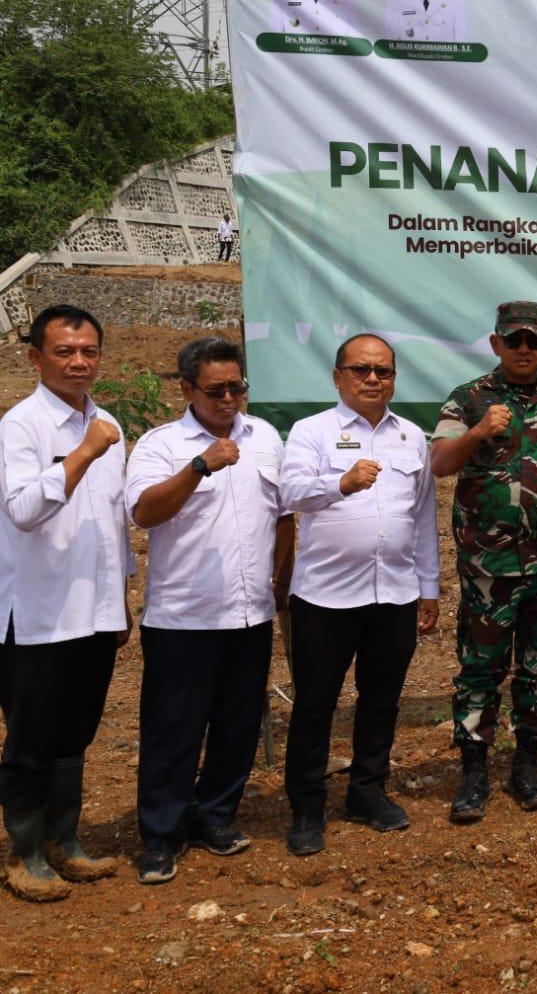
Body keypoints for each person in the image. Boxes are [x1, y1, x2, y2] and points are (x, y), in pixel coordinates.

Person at [125, 337, 293, 884]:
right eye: (215, 390)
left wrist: (281, 580)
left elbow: (282, 514)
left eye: (236, 387)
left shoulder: (264, 437)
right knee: (173, 730)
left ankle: (214, 816)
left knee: (237, 726)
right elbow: (145, 512)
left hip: (249, 613)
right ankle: (161, 835)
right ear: (186, 389)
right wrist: (199, 465)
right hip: (184, 617)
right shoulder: (161, 444)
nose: (228, 399)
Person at [431, 302, 537, 822]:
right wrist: (478, 432)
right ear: (496, 344)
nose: (523, 349)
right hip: (489, 569)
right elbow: (440, 463)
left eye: (533, 341)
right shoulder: (468, 399)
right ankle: (474, 772)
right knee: (480, 669)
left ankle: (527, 765)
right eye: (514, 340)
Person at [279, 334, 439, 855]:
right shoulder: (311, 431)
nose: (372, 379)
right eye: (360, 370)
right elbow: (289, 493)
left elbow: (422, 516)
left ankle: (367, 791)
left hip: (394, 592)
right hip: (325, 596)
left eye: (383, 371)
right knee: (315, 703)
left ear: (394, 378)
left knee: (382, 700)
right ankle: (307, 806)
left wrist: (429, 588)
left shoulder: (411, 436)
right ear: (337, 377)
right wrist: (340, 484)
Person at [0, 306, 134, 902]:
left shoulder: (107, 423)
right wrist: (82, 453)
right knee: (31, 737)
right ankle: (24, 852)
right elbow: (23, 511)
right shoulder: (20, 426)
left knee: (75, 732)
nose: (79, 362)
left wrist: (121, 598)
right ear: (36, 357)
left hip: (95, 611)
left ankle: (64, 841)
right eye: (64, 352)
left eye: (89, 351)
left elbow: (114, 523)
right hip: (38, 612)